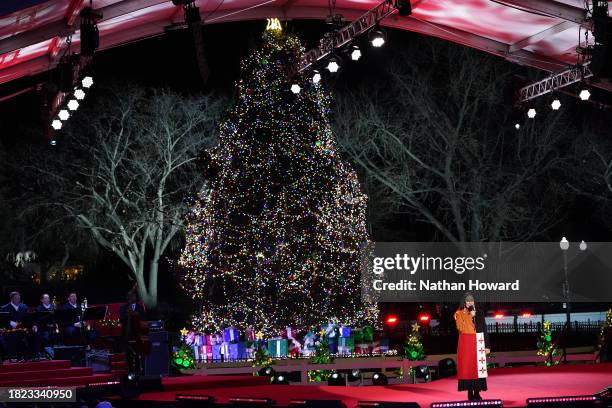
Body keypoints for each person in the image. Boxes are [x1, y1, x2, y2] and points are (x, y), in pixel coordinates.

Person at [454, 292, 490, 401]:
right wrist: (470, 315)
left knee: (478, 367)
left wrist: (487, 345)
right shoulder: (459, 313)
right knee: (469, 367)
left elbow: (484, 329)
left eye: (472, 300)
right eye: (468, 300)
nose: (470, 302)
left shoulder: (479, 312)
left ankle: (477, 392)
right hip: (466, 343)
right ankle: (470, 392)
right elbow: (460, 327)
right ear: (464, 302)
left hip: (478, 341)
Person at [119, 290, 148, 375]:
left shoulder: (140, 307)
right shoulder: (123, 308)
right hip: (127, 334)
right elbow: (121, 319)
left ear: (135, 297)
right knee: (128, 354)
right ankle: (130, 372)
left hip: (138, 334)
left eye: (132, 296)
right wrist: (127, 314)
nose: (130, 298)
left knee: (139, 353)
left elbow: (144, 318)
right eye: (129, 296)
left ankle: (140, 372)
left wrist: (135, 314)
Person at [1, 292, 29, 360]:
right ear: (12, 299)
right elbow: (2, 321)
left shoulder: (24, 307)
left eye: (19, 298)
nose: (18, 300)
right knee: (12, 336)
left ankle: (27, 356)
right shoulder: (4, 308)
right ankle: (13, 356)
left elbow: (28, 318)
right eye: (16, 298)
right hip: (10, 330)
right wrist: (12, 323)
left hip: (23, 329)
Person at [32, 294, 55, 358]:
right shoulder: (39, 308)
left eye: (48, 298)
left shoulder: (53, 307)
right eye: (45, 298)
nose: (47, 300)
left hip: (53, 327)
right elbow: (37, 320)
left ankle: (53, 352)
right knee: (40, 335)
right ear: (42, 300)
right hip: (42, 327)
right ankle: (40, 353)